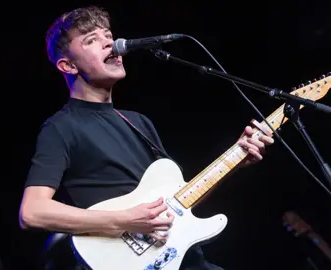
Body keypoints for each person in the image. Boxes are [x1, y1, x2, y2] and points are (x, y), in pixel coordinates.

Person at [19, 5, 274, 270]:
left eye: (108, 35)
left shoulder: (138, 122)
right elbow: (33, 212)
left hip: (185, 260)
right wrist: (125, 220)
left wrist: (236, 158)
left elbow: (177, 203)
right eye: (92, 40)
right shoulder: (61, 127)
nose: (110, 44)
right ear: (68, 65)